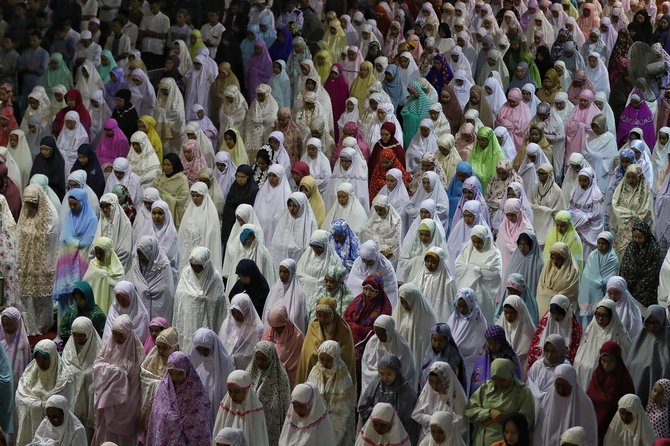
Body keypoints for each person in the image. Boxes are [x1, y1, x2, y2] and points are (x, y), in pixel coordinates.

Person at [91, 314, 143, 446]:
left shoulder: (136, 351)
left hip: (127, 403)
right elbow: (96, 365)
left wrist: (119, 378)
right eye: (115, 334)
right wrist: (115, 372)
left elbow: (136, 381)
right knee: (106, 435)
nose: (118, 338)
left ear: (128, 334)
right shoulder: (109, 345)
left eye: (121, 335)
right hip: (107, 402)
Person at [16, 185, 60, 335]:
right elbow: (20, 234)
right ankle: (28, 325)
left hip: (42, 261)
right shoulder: (26, 212)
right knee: (26, 295)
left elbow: (51, 237)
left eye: (33, 203)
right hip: (27, 262)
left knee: (41, 297)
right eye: (27, 203)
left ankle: (42, 325)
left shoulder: (50, 216)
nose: (30, 206)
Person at [146, 351, 213, 445]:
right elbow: (158, 415)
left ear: (187, 371)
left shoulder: (197, 393)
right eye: (171, 373)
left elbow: (200, 420)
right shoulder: (164, 390)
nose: (175, 377)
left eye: (179, 374)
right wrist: (171, 420)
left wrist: (181, 422)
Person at [14, 340, 73, 446]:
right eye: (38, 358)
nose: (40, 362)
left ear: (53, 357)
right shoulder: (30, 372)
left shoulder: (65, 378)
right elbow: (20, 396)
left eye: (45, 358)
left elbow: (62, 406)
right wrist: (37, 404)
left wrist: (36, 405)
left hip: (54, 431)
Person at [465, 358, 535, 446]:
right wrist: (489, 412)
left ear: (510, 376)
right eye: (495, 379)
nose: (499, 384)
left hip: (506, 441)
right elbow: (470, 410)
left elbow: (526, 421)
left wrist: (504, 419)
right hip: (481, 439)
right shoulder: (486, 388)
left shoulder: (522, 392)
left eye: (503, 380)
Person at [53, 188, 98, 317]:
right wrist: (72, 242)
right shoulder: (69, 217)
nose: (72, 207)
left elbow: (86, 242)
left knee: (78, 296)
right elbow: (63, 238)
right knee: (65, 298)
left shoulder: (91, 219)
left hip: (81, 263)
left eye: (75, 204)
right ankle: (63, 331)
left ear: (82, 203)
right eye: (70, 204)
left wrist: (70, 242)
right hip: (66, 264)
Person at [173, 247, 227, 352]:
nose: (196, 269)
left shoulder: (215, 278)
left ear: (206, 265)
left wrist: (205, 300)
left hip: (208, 324)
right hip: (188, 325)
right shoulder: (186, 274)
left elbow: (219, 302)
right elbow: (180, 298)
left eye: (199, 266)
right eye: (194, 266)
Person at [358, 354, 420, 443]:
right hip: (376, 432)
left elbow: (406, 418)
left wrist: (387, 419)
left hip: (395, 436)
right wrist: (378, 416)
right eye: (381, 374)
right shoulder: (376, 385)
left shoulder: (406, 391)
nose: (385, 378)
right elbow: (363, 406)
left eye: (389, 374)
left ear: (397, 373)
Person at [305, 340, 356, 446]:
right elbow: (309, 395)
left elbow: (344, 409)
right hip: (316, 417)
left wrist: (327, 419)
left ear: (336, 358)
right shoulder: (315, 371)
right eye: (322, 359)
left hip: (336, 420)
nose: (324, 363)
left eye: (328, 360)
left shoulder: (344, 377)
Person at [533, 364, 597, 445]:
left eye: (565, 385)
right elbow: (540, 433)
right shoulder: (547, 400)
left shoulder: (585, 404)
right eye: (558, 385)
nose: (560, 389)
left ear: (572, 383)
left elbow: (589, 436)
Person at [573, 300, 631, 390]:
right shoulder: (591, 329)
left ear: (612, 316)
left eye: (605, 315)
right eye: (598, 315)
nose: (600, 318)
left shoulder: (618, 334)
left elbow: (625, 359)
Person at [586, 341, 636, 444]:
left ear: (617, 360)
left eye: (610, 361)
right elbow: (589, 397)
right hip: (595, 423)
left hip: (616, 426)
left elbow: (629, 405)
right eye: (603, 361)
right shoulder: (597, 375)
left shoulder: (624, 379)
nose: (606, 365)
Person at [61, 316, 102, 438]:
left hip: (90, 400)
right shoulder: (69, 350)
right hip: (72, 398)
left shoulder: (100, 351)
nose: (78, 338)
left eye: (81, 335)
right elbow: (64, 370)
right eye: (75, 335)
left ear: (89, 334)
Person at [454, 225, 502, 323]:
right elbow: (458, 265)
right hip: (466, 288)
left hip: (483, 294)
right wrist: (472, 269)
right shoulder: (468, 249)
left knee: (481, 317)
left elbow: (495, 272)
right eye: (474, 241)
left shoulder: (493, 253)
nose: (476, 244)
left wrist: (477, 270)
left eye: (479, 242)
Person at [246, 341, 291, 446]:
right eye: (257, 358)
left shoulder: (281, 376)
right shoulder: (249, 373)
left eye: (264, 359)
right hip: (252, 420)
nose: (260, 362)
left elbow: (285, 404)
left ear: (271, 358)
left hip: (272, 422)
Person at [412, 361, 468, 444]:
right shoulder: (427, 392)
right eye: (431, 382)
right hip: (428, 437)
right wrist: (432, 420)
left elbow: (461, 420)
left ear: (446, 380)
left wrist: (441, 423)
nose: (434, 386)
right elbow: (416, 414)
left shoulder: (456, 396)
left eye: (438, 382)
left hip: (448, 438)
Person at [212, 369, 270, 446]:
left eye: (237, 391)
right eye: (230, 391)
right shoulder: (225, 406)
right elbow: (218, 435)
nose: (232, 395)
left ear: (246, 391)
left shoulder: (255, 410)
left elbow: (258, 440)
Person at [189, 327, 236, 422]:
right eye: (199, 349)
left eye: (205, 350)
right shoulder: (199, 363)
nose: (202, 353)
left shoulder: (224, 363)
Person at [627, 305, 670, 406]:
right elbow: (630, 364)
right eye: (649, 322)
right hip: (640, 388)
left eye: (656, 322)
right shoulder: (639, 340)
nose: (652, 326)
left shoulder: (667, 339)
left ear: (662, 321)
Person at [527, 294, 583, 369]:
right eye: (553, 313)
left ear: (565, 312)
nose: (555, 317)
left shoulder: (573, 328)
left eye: (559, 314)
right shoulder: (547, 321)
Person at [129, 236, 175, 323]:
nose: (141, 257)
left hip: (159, 308)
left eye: (144, 254)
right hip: (140, 309)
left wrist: (149, 291)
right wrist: (142, 290)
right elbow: (132, 284)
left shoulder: (163, 266)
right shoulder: (136, 264)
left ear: (151, 252)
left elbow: (167, 291)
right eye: (139, 254)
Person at [577, 232, 619, 326]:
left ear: (609, 244)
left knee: (601, 315)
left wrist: (598, 283)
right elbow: (587, 274)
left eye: (604, 244)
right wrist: (593, 282)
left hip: (603, 291)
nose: (600, 246)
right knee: (587, 320)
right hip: (589, 290)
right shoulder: (592, 255)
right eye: (599, 243)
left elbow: (610, 276)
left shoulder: (613, 258)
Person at [619, 220, 662, 309]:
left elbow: (652, 273)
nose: (637, 240)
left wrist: (638, 282)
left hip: (647, 290)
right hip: (630, 288)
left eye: (640, 237)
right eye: (634, 237)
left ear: (646, 235)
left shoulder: (654, 249)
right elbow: (625, 267)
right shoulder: (631, 247)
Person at [278, 381, 336, 446]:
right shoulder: (292, 420)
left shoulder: (322, 428)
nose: (298, 410)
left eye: (302, 406)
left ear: (311, 403)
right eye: (295, 406)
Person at [219, 293, 266, 370]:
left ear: (246, 310)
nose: (236, 316)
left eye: (239, 312)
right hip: (227, 365)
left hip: (246, 368)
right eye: (233, 312)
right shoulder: (229, 323)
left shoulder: (257, 329)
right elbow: (223, 342)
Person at [262, 306, 304, 388]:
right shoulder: (269, 332)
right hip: (270, 375)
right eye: (274, 328)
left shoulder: (297, 337)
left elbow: (299, 361)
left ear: (286, 322)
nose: (276, 330)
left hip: (290, 378)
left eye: (279, 327)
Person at [82, 236, 124, 315]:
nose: (98, 256)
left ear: (108, 252)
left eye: (101, 253)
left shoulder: (117, 270)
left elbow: (119, 289)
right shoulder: (93, 265)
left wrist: (107, 279)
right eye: (96, 252)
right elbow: (85, 284)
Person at [536, 242, 581, 315]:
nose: (554, 262)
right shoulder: (548, 267)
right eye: (552, 258)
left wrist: (550, 295)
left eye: (558, 259)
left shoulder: (573, 271)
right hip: (543, 308)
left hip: (560, 311)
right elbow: (540, 288)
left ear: (564, 257)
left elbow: (572, 294)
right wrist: (552, 294)